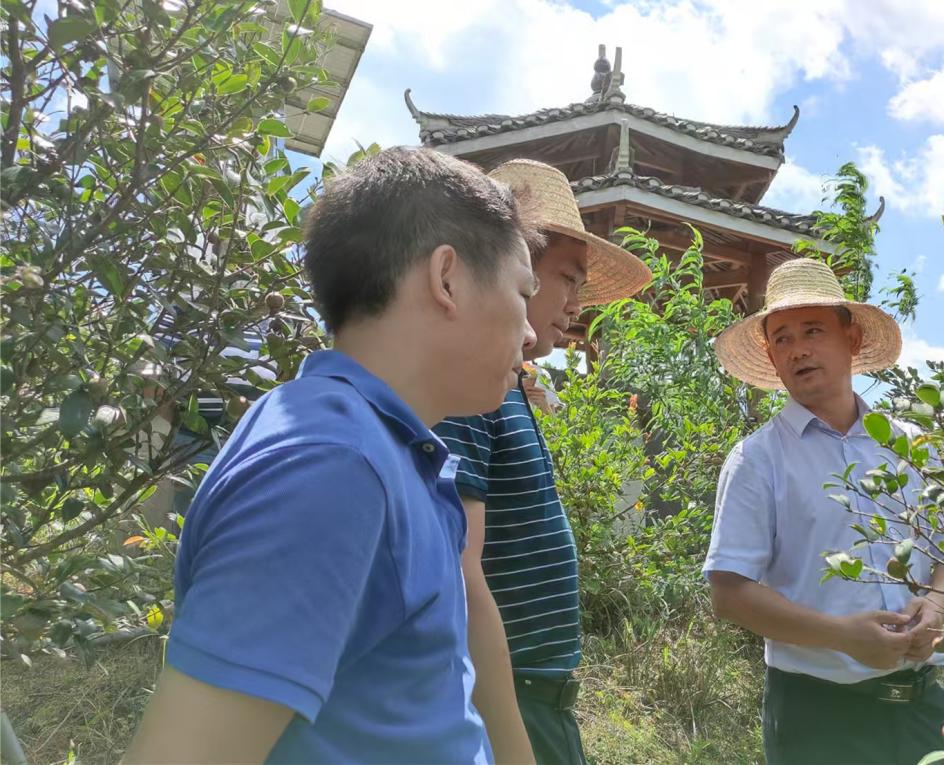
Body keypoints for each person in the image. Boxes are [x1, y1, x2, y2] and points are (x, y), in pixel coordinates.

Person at [125, 147, 543, 764]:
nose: (531, 332)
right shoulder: (330, 465)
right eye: (521, 292)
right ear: (447, 278)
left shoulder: (383, 452)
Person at [703, 258, 944, 765]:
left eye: (813, 330)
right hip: (817, 715)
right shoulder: (757, 461)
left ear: (851, 339)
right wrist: (843, 638)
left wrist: (932, 614)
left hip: (922, 707)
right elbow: (730, 593)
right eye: (781, 338)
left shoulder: (912, 446)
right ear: (772, 358)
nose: (798, 348)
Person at [434, 159, 652, 765]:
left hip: (536, 693)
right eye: (564, 278)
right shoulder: (471, 395)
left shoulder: (507, 388)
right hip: (509, 698)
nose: (575, 303)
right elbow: (463, 572)